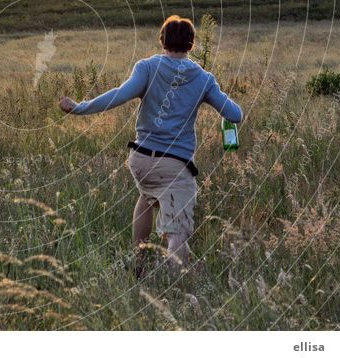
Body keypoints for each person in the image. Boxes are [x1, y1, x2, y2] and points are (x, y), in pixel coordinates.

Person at [58, 15, 243, 277]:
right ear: (191, 45)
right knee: (177, 230)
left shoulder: (147, 67)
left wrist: (80, 107)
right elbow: (235, 115)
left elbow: (118, 94)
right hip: (174, 165)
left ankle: (139, 262)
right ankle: (177, 283)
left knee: (147, 198)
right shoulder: (204, 79)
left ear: (162, 41)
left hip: (141, 160)